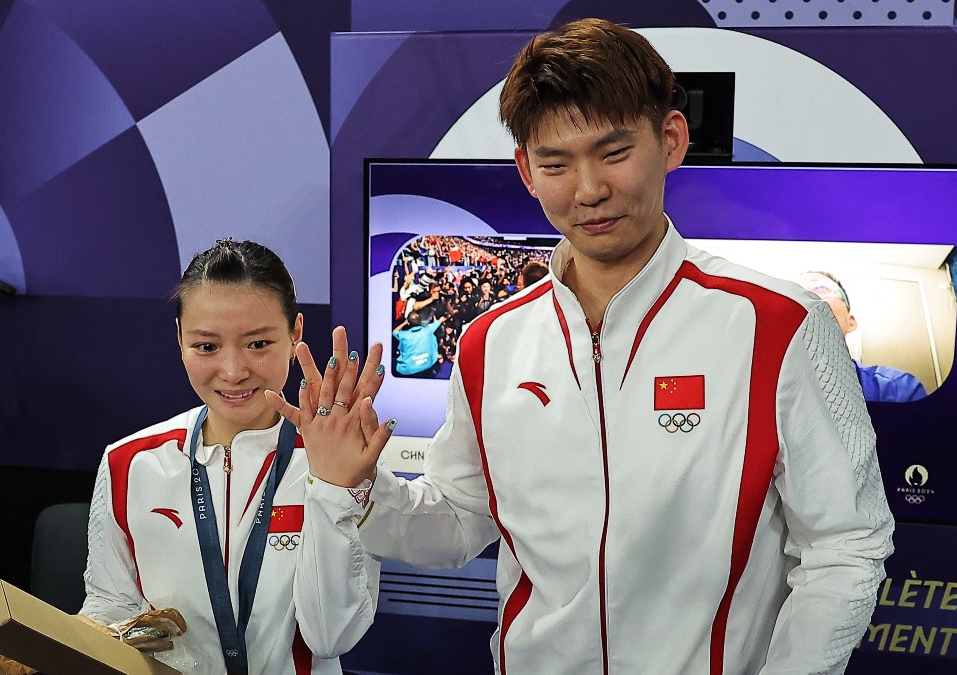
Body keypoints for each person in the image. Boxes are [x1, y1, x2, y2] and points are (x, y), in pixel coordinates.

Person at [315, 18, 894, 674]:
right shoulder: (489, 342)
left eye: (613, 152)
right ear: (526, 171)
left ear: (670, 139)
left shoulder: (780, 324)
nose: (588, 189)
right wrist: (357, 487)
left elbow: (846, 546)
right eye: (556, 163)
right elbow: (456, 521)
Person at [81, 239, 389, 674]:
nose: (233, 370)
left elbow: (331, 635)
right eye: (206, 347)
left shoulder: (343, 457)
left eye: (258, 343)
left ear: (296, 332)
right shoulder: (129, 462)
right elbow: (110, 606)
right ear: (180, 340)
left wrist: (336, 491)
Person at [798, 270, 929, 403]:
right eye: (794, 295)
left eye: (819, 288)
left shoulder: (897, 389)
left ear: (851, 322)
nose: (804, 300)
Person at [392, 310, 443, 378]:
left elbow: (394, 332)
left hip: (408, 370)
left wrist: (404, 323)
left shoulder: (404, 335)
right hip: (427, 366)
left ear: (409, 323)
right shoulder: (428, 330)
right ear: (420, 321)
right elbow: (440, 320)